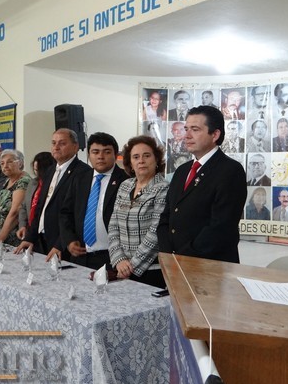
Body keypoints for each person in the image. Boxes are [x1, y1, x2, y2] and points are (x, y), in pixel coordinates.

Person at [158, 105, 247, 263]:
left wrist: (182, 257)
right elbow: (166, 217)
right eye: (186, 129)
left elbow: (221, 227)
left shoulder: (230, 170)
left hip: (211, 266)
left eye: (195, 129)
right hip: (175, 263)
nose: (187, 135)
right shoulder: (182, 171)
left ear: (215, 134)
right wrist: (167, 252)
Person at [16, 129, 90, 258]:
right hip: (41, 239)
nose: (56, 147)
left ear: (75, 147)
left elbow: (76, 215)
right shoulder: (50, 171)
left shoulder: (83, 173)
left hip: (64, 245)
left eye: (62, 143)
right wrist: (30, 237)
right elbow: (40, 207)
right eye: (53, 143)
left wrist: (60, 244)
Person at [59, 132, 128, 270]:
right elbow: (65, 212)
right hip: (81, 256)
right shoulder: (80, 178)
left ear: (116, 154)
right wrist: (69, 240)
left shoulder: (126, 181)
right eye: (95, 152)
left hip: (113, 259)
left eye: (106, 152)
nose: (100, 156)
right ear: (89, 155)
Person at [108, 135, 168, 288]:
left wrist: (131, 266)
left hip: (150, 270)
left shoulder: (163, 188)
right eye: (136, 157)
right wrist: (119, 260)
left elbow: (156, 232)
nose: (141, 160)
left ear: (156, 159)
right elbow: (113, 225)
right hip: (121, 267)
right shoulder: (125, 185)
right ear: (130, 163)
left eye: (146, 156)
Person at [0, 150, 31, 246]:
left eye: (9, 162)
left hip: (17, 236)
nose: (5, 166)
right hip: (5, 236)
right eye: (2, 163)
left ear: (20, 163)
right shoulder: (7, 181)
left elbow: (15, 212)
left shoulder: (23, 182)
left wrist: (0, 238)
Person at [16, 151, 55, 241]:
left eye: (38, 170)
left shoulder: (53, 185)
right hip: (30, 231)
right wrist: (22, 225)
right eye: (35, 170)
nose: (36, 173)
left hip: (47, 232)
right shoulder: (33, 183)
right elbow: (24, 207)